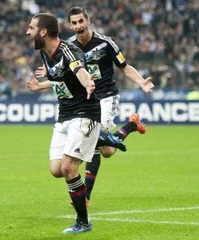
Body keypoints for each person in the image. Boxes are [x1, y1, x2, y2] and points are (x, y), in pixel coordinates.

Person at [66, 6, 154, 203]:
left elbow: (124, 67)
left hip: (107, 97)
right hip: (86, 100)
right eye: (74, 23)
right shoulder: (69, 47)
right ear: (70, 25)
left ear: (88, 21)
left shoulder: (106, 43)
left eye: (81, 21)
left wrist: (141, 82)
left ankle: (85, 195)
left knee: (94, 142)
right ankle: (131, 126)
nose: (79, 26)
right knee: (107, 151)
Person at [26, 13, 101, 234]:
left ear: (43, 32)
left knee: (69, 168)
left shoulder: (68, 50)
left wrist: (88, 82)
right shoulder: (44, 53)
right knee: (56, 169)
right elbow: (61, 78)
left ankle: (83, 222)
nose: (27, 32)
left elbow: (79, 70)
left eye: (31, 28)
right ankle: (98, 139)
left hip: (85, 112)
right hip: (65, 115)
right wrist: (41, 86)